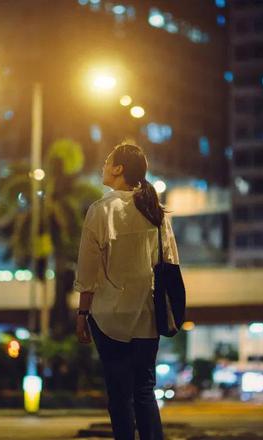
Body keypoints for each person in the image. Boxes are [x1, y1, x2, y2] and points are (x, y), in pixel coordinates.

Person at [75, 143, 179, 440]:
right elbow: (170, 263)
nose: (104, 166)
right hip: (147, 314)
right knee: (144, 390)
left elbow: (88, 271)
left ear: (119, 169)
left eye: (108, 161)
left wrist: (82, 314)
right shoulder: (155, 212)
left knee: (119, 394)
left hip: (108, 316)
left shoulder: (100, 210)